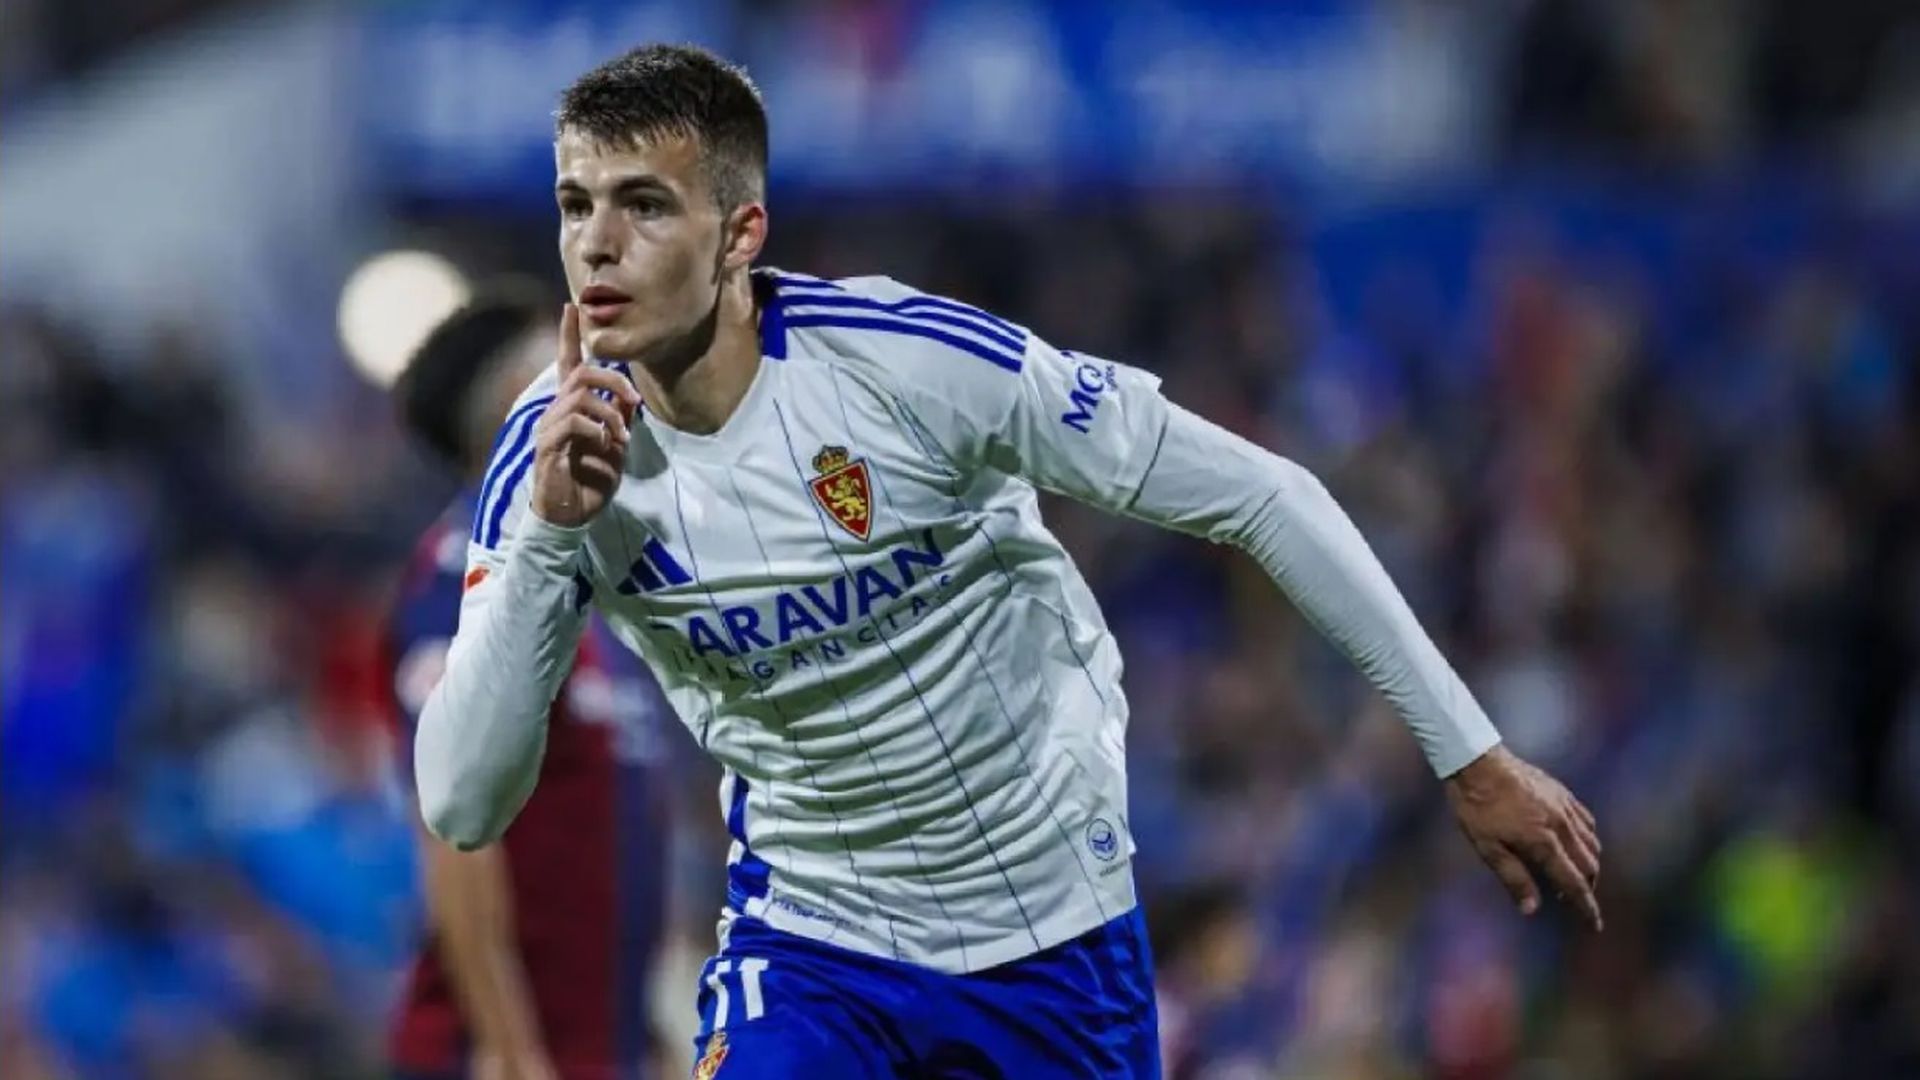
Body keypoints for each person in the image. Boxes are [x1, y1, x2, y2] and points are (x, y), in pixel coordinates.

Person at [414, 45, 1603, 1079]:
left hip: (1049, 924)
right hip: (814, 937)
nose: (598, 248)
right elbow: (463, 803)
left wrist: (1470, 753)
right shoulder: (552, 460)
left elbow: (1261, 495)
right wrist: (552, 533)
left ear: (742, 233)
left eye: (644, 205)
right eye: (575, 206)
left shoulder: (910, 367)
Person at [388, 286, 672, 1080]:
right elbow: (450, 818)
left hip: (597, 1049)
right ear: (523, 404)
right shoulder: (460, 573)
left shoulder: (589, 585)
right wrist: (505, 1044)